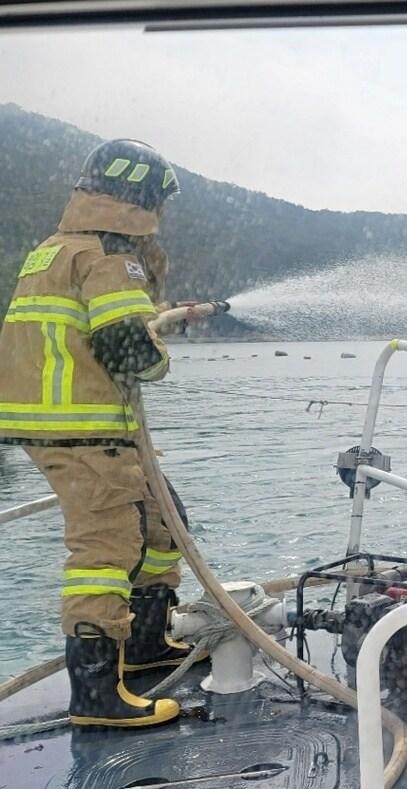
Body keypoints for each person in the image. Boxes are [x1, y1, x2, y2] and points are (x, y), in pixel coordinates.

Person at [0, 139, 196, 728]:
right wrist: (159, 348)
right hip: (87, 429)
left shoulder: (54, 250)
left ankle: (144, 646)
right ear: (141, 196)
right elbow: (126, 347)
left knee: (165, 524)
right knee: (106, 550)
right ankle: (95, 698)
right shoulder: (112, 253)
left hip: (64, 425)